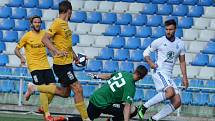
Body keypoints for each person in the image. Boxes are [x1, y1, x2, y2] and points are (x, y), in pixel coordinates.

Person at [41, 1, 89, 120]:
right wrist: (56, 51)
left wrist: (75, 58)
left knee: (65, 93)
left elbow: (67, 46)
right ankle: (86, 118)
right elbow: (44, 39)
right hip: (62, 65)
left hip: (68, 64)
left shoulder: (65, 25)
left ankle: (37, 89)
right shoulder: (57, 23)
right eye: (71, 12)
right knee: (78, 88)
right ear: (69, 10)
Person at [14, 15, 64, 121]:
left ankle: (41, 104)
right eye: (35, 22)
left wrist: (54, 54)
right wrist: (22, 58)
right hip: (34, 67)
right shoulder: (27, 36)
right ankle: (47, 115)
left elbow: (49, 46)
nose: (37, 24)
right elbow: (16, 50)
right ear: (31, 24)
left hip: (45, 65)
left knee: (53, 88)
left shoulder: (44, 34)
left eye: (39, 22)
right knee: (42, 89)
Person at [137, 19, 189, 121]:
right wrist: (151, 63)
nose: (168, 31)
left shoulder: (180, 44)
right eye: (166, 29)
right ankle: (143, 106)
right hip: (159, 71)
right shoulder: (159, 41)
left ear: (175, 29)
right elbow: (145, 53)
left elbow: (182, 61)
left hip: (168, 75)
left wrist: (185, 77)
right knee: (170, 92)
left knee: (177, 101)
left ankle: (154, 119)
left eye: (171, 29)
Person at [66, 65, 148, 121]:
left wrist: (96, 76)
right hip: (103, 104)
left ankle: (66, 119)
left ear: (135, 70)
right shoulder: (131, 87)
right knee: (133, 110)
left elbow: (109, 76)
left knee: (88, 118)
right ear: (142, 77)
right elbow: (127, 107)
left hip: (95, 97)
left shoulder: (123, 73)